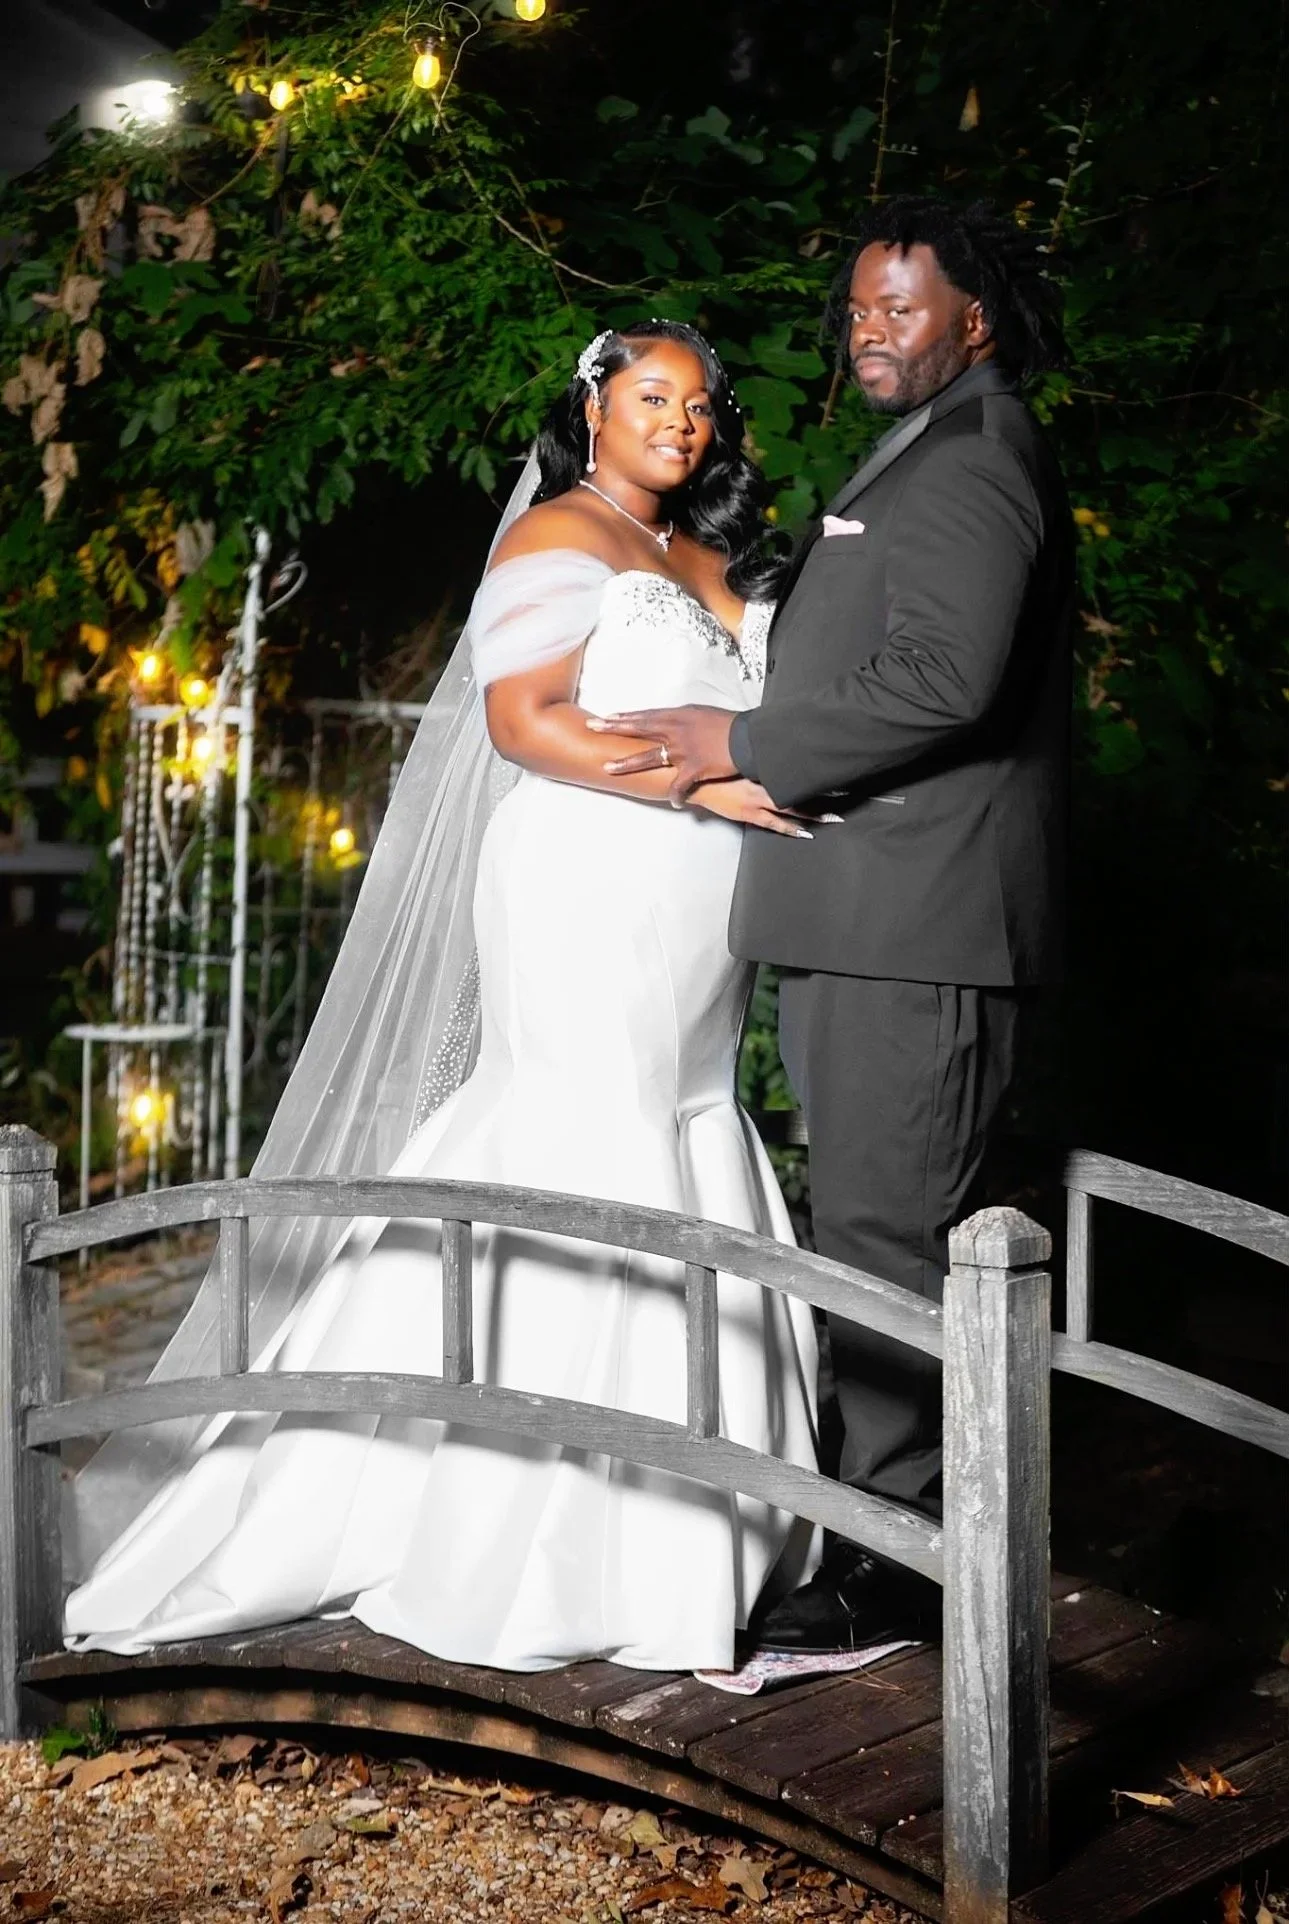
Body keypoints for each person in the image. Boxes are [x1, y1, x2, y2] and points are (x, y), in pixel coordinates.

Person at [63, 321, 823, 1674]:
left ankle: (699, 1516)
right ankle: (509, 1512)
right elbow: (528, 720)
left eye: (702, 405)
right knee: (587, 1132)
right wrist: (703, 784)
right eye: (655, 396)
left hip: (704, 917)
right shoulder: (556, 541)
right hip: (590, 879)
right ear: (594, 404)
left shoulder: (704, 555)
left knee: (684, 1124)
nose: (685, 423)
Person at [592, 200, 1074, 1650]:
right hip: (882, 917)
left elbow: (942, 684)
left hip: (914, 926)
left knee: (885, 1248)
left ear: (971, 322)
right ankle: (893, 1537)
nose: (870, 331)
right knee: (875, 1232)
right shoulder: (933, 448)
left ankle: (900, 1569)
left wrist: (744, 742)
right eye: (858, 309)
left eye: (902, 310)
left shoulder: (976, 458)